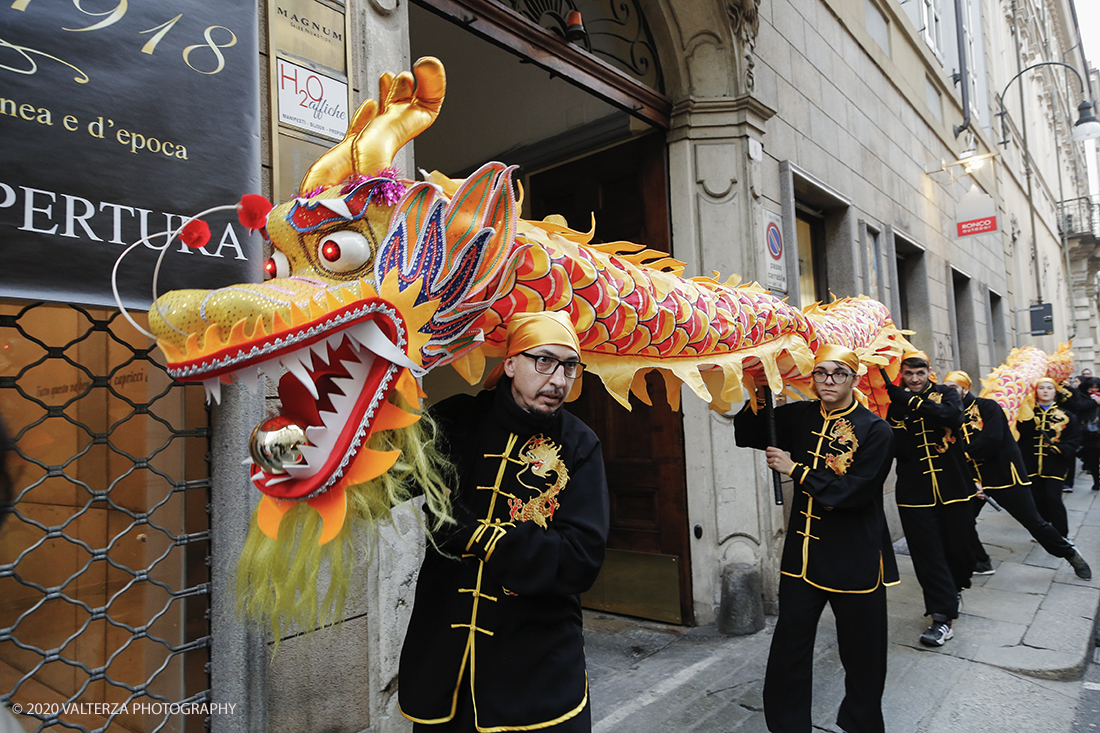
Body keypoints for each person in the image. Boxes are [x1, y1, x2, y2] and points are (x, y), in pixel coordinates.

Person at [399, 311, 609, 733]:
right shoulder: (457, 418)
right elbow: (394, 479)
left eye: (570, 367)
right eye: (544, 361)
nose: (559, 380)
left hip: (535, 662)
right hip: (445, 652)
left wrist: (477, 535)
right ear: (511, 363)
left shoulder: (580, 444)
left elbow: (580, 558)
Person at [735, 345, 897, 733]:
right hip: (802, 559)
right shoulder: (803, 414)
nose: (827, 380)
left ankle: (860, 723)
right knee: (788, 651)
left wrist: (797, 470)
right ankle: (788, 726)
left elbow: (854, 494)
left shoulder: (876, 430)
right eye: (821, 372)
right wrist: (759, 390)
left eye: (838, 373)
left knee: (863, 655)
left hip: (855, 559)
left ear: (854, 380)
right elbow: (750, 431)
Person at [942, 371, 1091, 580]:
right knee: (960, 520)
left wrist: (963, 454)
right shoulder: (949, 415)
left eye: (953, 387)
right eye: (945, 387)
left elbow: (992, 439)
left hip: (1005, 475)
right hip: (973, 478)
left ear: (965, 389)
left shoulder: (988, 406)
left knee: (1033, 522)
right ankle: (981, 560)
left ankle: (1070, 553)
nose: (947, 391)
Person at [881, 352, 976, 647]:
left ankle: (953, 588)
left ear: (928, 372)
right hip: (915, 494)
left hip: (954, 489)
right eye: (908, 374)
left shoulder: (946, 393)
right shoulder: (894, 406)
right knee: (927, 555)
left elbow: (952, 417)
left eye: (919, 373)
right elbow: (891, 445)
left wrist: (908, 400)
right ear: (902, 375)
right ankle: (941, 618)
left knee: (959, 550)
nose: (914, 379)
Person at [1017, 378, 1081, 538]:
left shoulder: (1066, 415)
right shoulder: (1027, 414)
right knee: (1037, 500)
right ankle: (1045, 532)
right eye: (1041, 388)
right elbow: (1018, 436)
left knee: (1053, 499)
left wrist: (1060, 448)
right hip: (1031, 464)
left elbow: (1075, 439)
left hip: (1055, 465)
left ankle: (1061, 535)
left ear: (1055, 391)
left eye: (1049, 388)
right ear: (1036, 391)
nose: (1045, 391)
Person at [1070, 376, 1100, 491]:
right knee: (1093, 457)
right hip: (1089, 431)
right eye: (1092, 387)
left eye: (1097, 388)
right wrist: (1094, 402)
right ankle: (1096, 480)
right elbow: (1078, 407)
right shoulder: (1081, 396)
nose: (1094, 390)